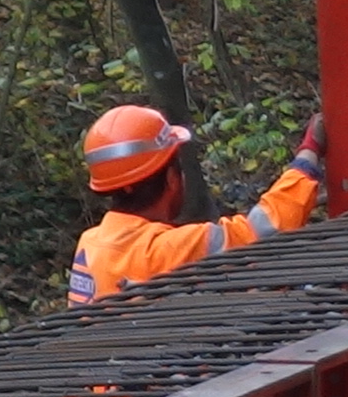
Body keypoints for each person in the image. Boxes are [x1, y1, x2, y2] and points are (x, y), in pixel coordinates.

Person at [69, 104, 329, 304]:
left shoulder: (89, 245)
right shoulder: (171, 248)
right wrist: (308, 155)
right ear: (172, 178)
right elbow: (266, 230)